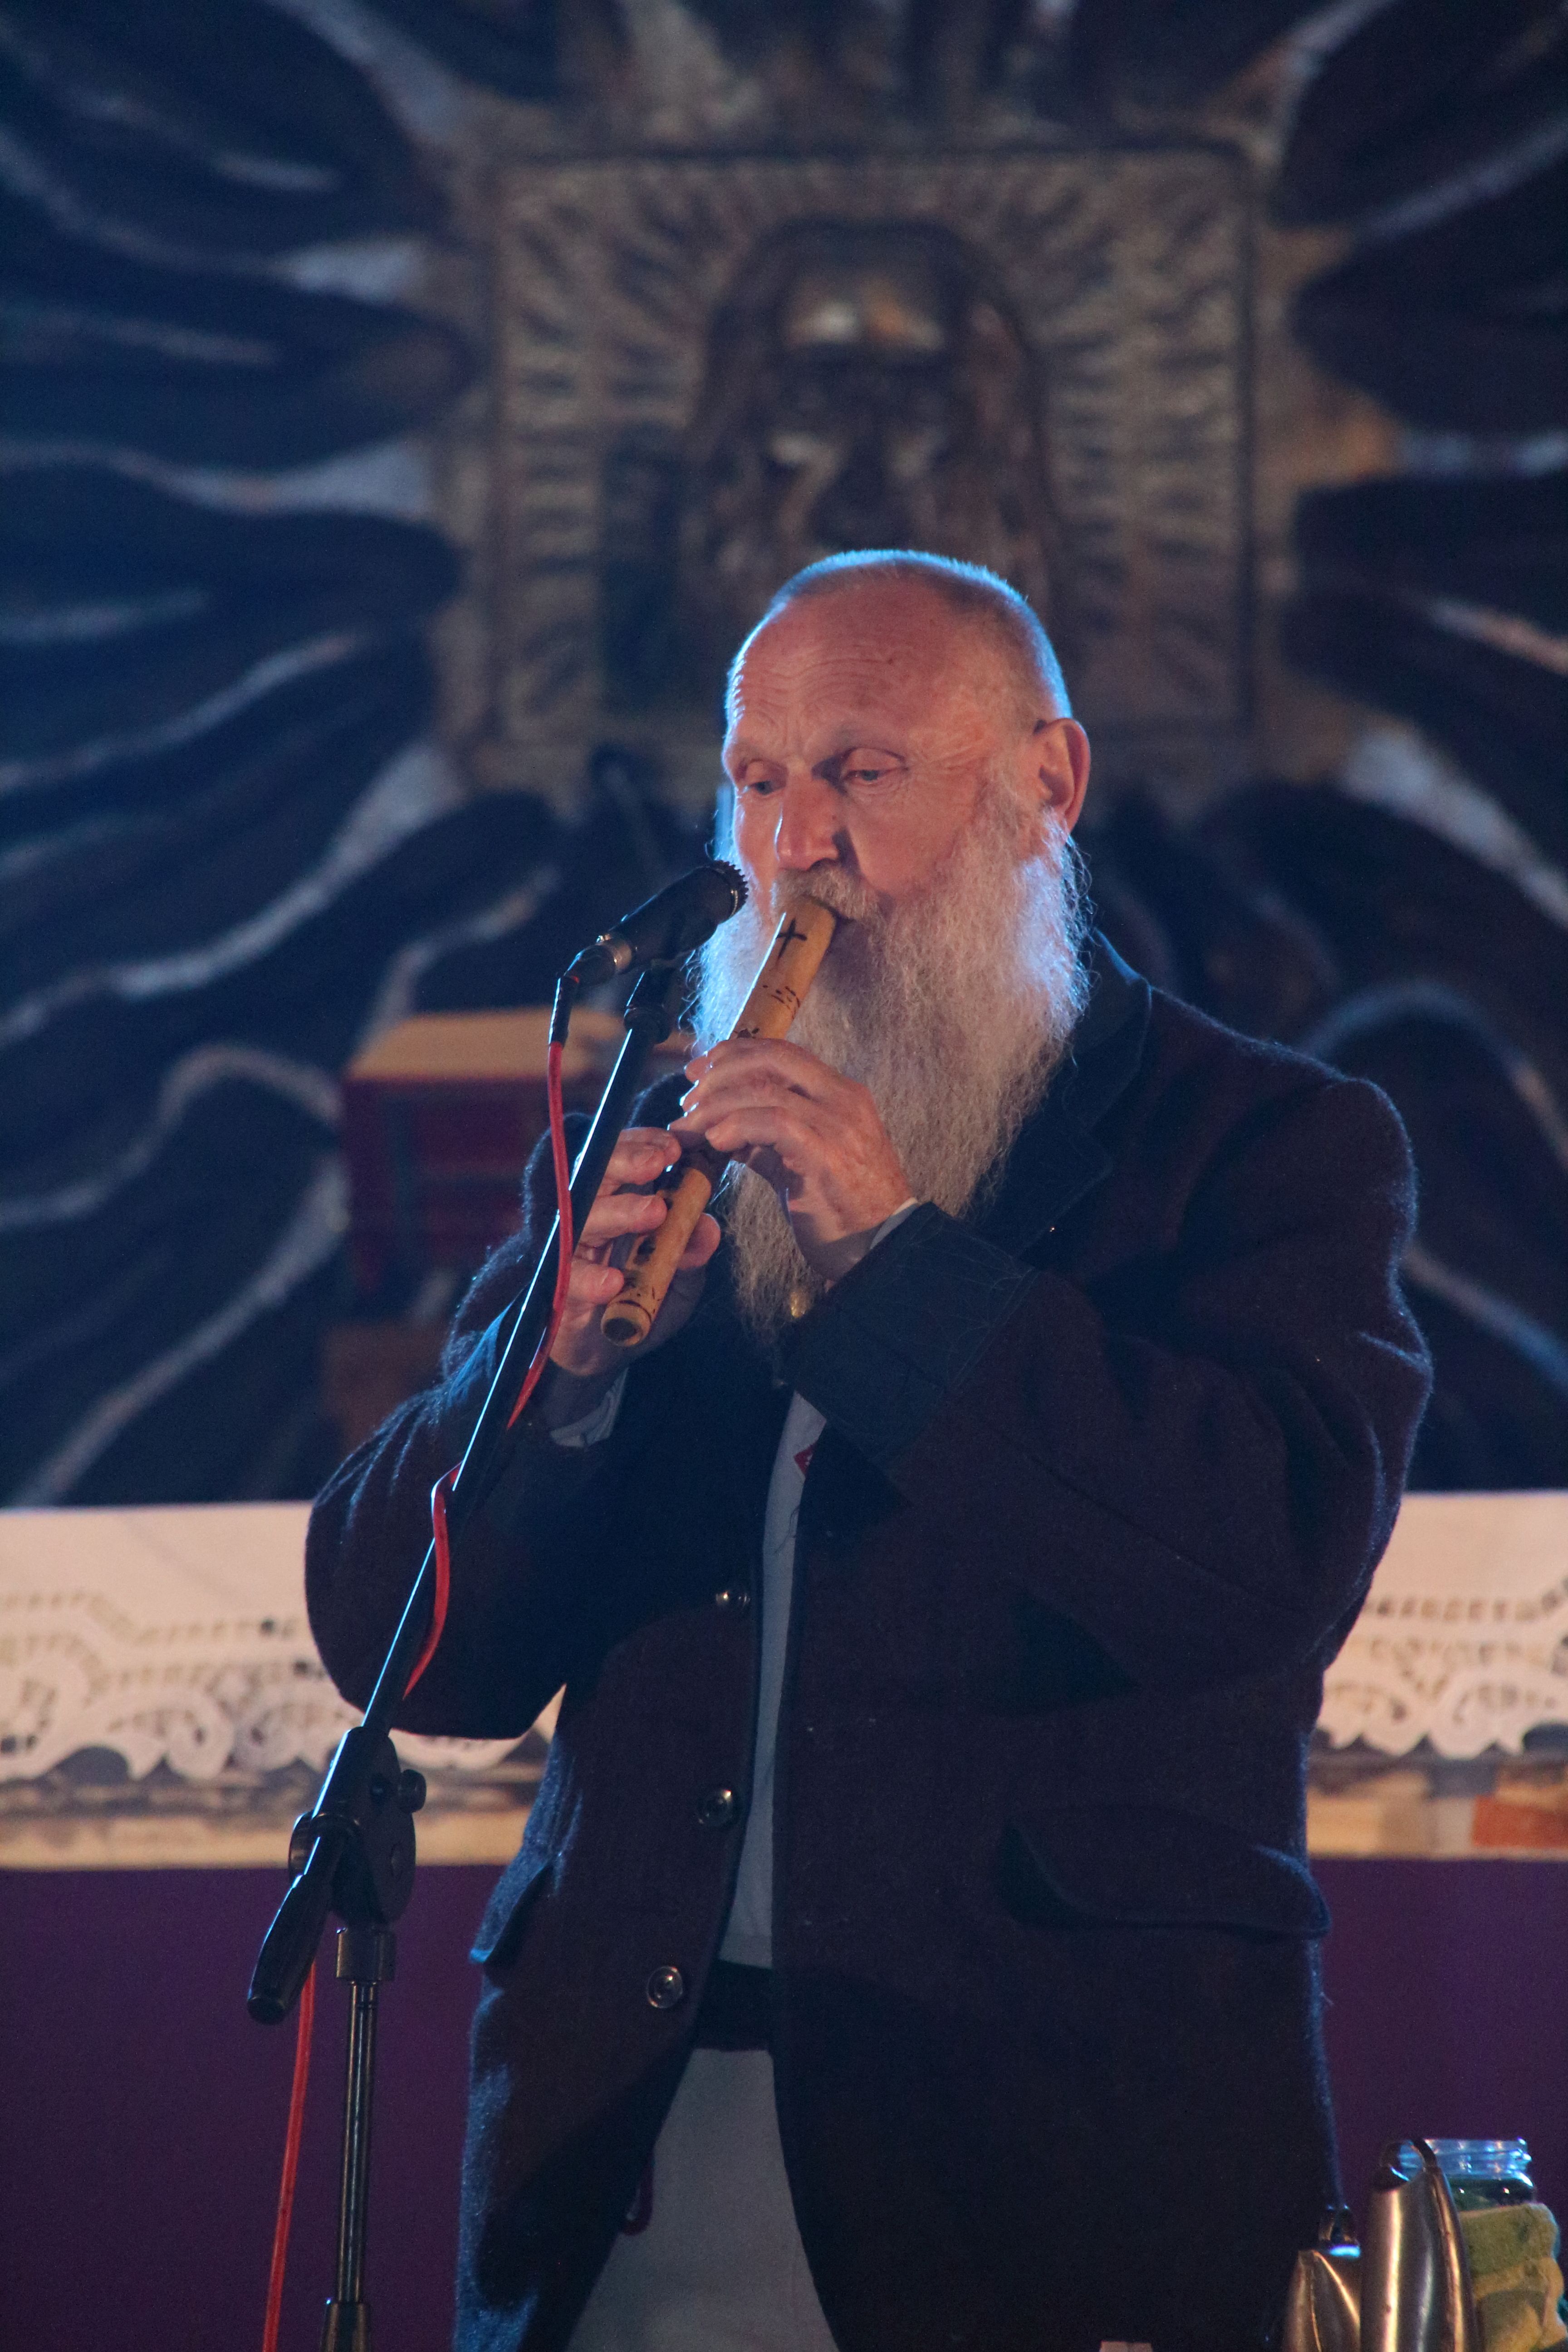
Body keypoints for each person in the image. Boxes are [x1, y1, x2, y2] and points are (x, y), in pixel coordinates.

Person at [307, 551, 1431, 2352]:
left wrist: (898, 1263)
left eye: (862, 773)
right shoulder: (650, 1125)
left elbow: (1261, 1569)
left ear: (1045, 784)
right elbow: (407, 1652)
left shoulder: (1270, 1145)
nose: (795, 844)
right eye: (757, 781)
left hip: (1049, 2161)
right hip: (621, 2161)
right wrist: (561, 1382)